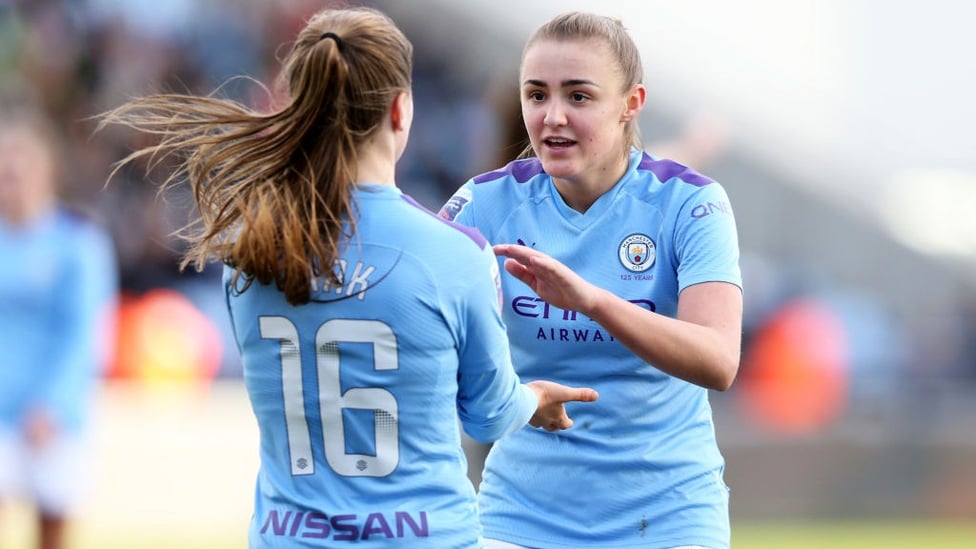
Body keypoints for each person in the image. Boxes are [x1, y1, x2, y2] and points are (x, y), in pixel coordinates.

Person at [96, 6, 598, 548]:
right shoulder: (453, 254)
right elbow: (489, 414)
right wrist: (536, 400)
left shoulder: (249, 249)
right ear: (401, 110)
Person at [439, 11, 743, 549]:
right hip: (519, 517)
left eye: (578, 97)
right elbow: (424, 331)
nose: (552, 116)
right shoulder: (482, 204)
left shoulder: (691, 203)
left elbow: (718, 361)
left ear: (631, 105)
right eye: (537, 95)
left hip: (667, 518)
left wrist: (592, 301)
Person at [0, 99, 118, 549]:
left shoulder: (77, 242)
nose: (11, 170)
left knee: (51, 528)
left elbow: (86, 332)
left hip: (53, 414)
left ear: (46, 166)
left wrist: (54, 403)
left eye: (20, 157)